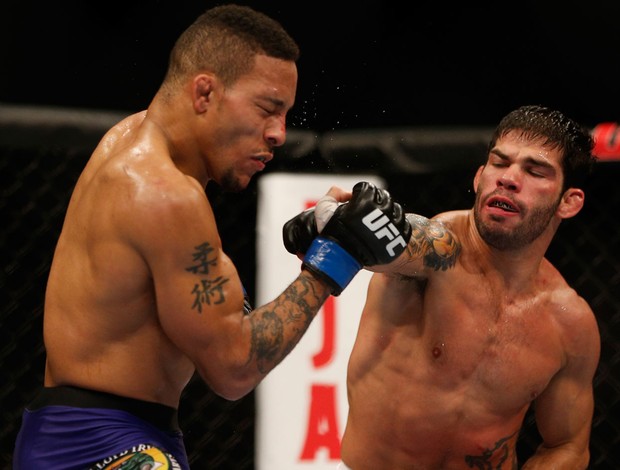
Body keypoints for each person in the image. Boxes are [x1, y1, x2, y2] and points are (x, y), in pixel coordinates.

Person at [12, 5, 412, 469]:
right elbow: (234, 368)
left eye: (285, 114)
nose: (280, 133)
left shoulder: (130, 140)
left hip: (79, 432)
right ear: (204, 92)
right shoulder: (166, 195)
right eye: (268, 109)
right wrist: (333, 260)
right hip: (105, 445)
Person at [284, 105, 601, 469]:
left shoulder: (570, 324)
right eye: (499, 164)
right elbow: (401, 243)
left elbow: (568, 446)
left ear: (569, 202)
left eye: (534, 171)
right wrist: (342, 225)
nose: (509, 178)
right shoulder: (441, 250)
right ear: (480, 177)